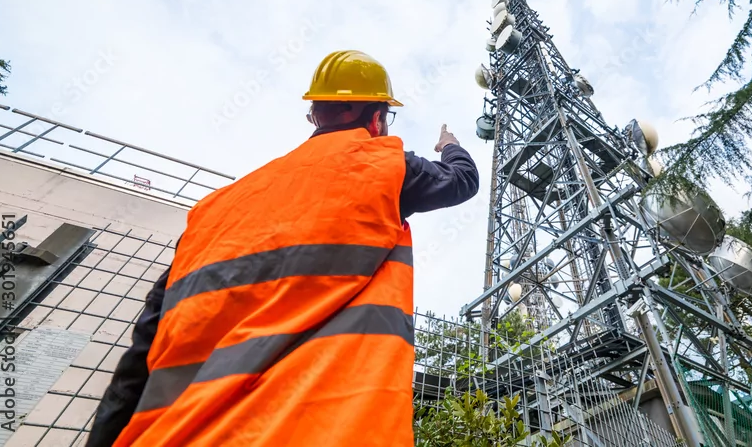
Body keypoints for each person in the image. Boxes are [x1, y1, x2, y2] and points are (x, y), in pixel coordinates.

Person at [86, 50, 479, 447]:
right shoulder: (383, 166)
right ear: (377, 119)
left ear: (314, 116)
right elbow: (462, 180)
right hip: (320, 429)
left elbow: (136, 365)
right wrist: (449, 144)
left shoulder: (213, 209)